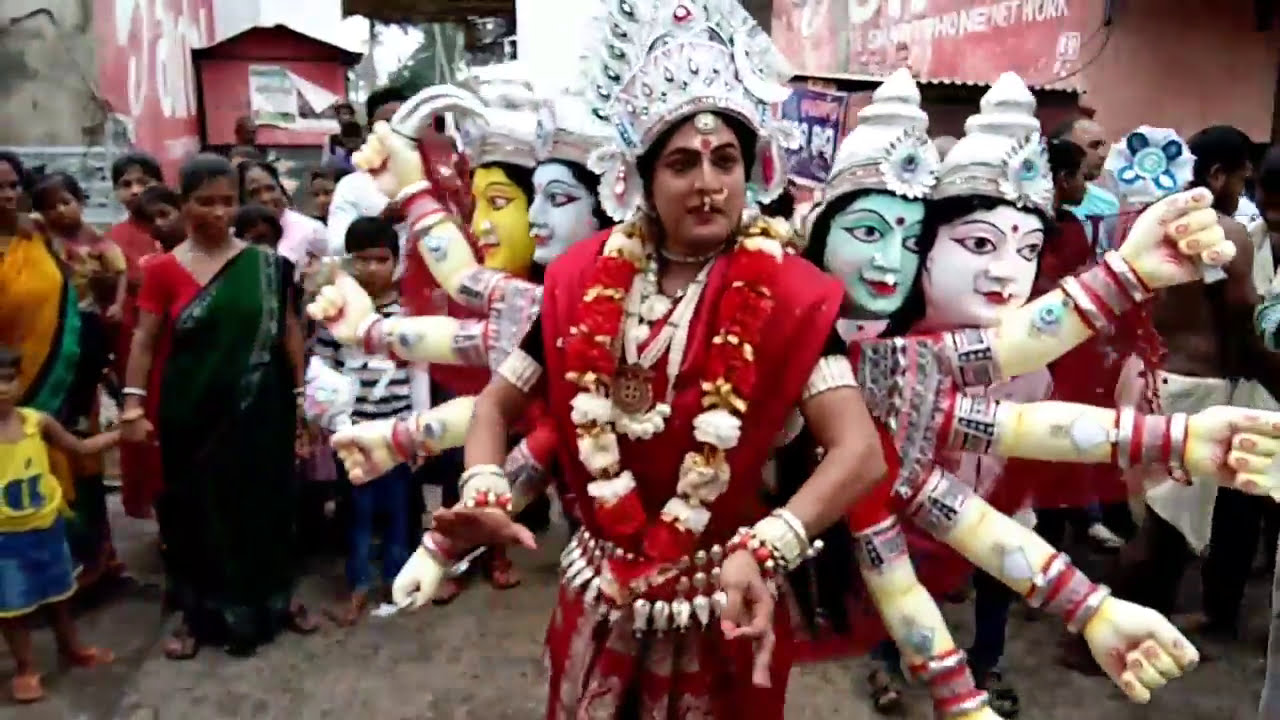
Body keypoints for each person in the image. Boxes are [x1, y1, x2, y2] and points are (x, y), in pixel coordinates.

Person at [314, 2, 889, 715]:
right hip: (599, 592)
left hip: (724, 595)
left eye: (725, 160)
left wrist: (767, 547)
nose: (708, 183)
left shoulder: (790, 296)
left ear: (752, 169)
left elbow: (858, 452)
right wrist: (486, 490)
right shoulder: (582, 281)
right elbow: (499, 406)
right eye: (681, 163)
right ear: (641, 178)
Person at [122, 153, 318, 659]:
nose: (217, 212)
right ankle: (199, 616)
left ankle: (273, 601)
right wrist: (133, 404)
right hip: (191, 412)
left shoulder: (268, 266)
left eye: (227, 201)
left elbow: (288, 332)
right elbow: (145, 341)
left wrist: (300, 399)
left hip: (262, 408)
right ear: (183, 204)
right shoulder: (162, 270)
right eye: (204, 201)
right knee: (195, 514)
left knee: (268, 506)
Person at [0, 153, 119, 589]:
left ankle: (97, 566)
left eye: (13, 185)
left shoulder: (38, 235)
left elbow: (75, 296)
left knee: (80, 459)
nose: (8, 195)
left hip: (67, 373)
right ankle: (30, 580)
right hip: (9, 387)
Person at [0, 345, 117, 703]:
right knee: (13, 609)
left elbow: (80, 448)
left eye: (8, 379)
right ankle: (25, 667)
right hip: (6, 538)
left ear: (20, 380)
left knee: (60, 595)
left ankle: (72, 648)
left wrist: (121, 436)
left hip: (47, 527)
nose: (3, 388)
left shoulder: (37, 421)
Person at [313, 217, 414, 624]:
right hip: (353, 430)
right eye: (362, 261)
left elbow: (419, 368)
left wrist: (421, 429)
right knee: (357, 511)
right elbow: (322, 366)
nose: (372, 269)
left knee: (399, 509)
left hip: (399, 430)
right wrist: (331, 422)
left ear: (396, 261)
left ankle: (397, 579)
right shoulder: (335, 313)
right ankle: (356, 587)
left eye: (381, 259)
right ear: (349, 263)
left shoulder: (409, 311)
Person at [116, 184, 182, 520]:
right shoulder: (153, 266)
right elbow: (143, 336)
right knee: (164, 455)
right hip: (162, 368)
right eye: (151, 219)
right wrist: (133, 400)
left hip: (200, 367)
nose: (158, 224)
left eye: (165, 214)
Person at [326, 86, 411, 261]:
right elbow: (336, 247)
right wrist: (382, 221)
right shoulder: (353, 185)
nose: (396, 132)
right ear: (370, 130)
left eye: (404, 122)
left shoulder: (442, 177)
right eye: (387, 124)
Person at [31, 173, 128, 320]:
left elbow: (121, 271)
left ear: (80, 201)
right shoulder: (43, 238)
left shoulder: (96, 239)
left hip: (86, 313)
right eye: (51, 207)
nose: (60, 210)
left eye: (66, 202)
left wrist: (118, 305)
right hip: (50, 313)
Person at [238, 160, 327, 272]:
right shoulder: (235, 236)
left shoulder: (311, 230)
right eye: (254, 193)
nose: (265, 198)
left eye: (270, 189)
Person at [1049, 115, 1120, 221]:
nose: (1102, 154)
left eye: (1102, 146)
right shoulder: (1034, 201)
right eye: (1094, 146)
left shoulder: (1108, 204)